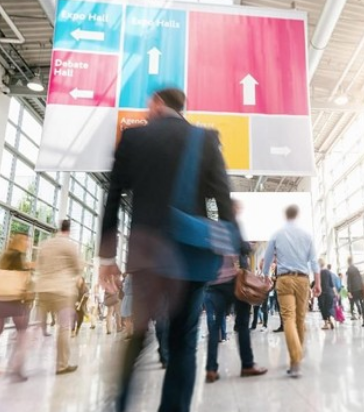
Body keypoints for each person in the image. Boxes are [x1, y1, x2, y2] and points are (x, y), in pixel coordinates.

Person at [99, 88, 236, 412]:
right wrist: (232, 250)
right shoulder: (204, 140)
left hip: (146, 254)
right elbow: (224, 200)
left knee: (136, 335)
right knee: (183, 342)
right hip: (189, 255)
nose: (147, 110)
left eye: (149, 104)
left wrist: (107, 257)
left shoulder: (133, 139)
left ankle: (119, 405)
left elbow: (114, 196)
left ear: (159, 103)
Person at [204, 199, 268, 383]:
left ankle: (211, 369)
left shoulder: (212, 227)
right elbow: (243, 248)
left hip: (214, 283)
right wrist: (250, 244)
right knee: (242, 325)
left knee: (215, 326)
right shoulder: (233, 225)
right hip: (234, 282)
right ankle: (247, 365)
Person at [262, 205, 321, 378]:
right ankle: (296, 360)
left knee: (288, 318)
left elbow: (267, 258)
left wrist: (265, 276)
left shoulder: (277, 234)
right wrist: (317, 283)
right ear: (297, 215)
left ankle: (295, 361)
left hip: (284, 279)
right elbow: (314, 262)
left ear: (285, 215)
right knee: (300, 319)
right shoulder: (307, 235)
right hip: (303, 279)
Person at [35, 219, 82, 375]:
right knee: (64, 327)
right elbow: (78, 268)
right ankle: (61, 365)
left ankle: (19, 365)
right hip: (62, 292)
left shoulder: (45, 244)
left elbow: (39, 266)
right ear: (69, 230)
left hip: (43, 289)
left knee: (37, 325)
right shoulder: (70, 245)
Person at [0, 232, 32, 381]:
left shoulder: (5, 255)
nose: (28, 243)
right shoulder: (18, 255)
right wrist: (29, 267)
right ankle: (16, 369)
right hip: (13, 298)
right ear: (20, 241)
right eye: (26, 240)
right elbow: (20, 275)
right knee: (22, 332)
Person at [346, 257, 364, 327]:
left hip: (353, 290)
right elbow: (360, 279)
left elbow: (349, 281)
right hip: (359, 289)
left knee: (352, 303)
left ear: (348, 262)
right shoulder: (356, 268)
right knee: (362, 304)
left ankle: (353, 315)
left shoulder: (349, 269)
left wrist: (349, 291)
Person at [319, 259, 337, 330]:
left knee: (322, 307)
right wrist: (335, 293)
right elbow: (331, 284)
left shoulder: (318, 272)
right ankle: (329, 318)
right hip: (329, 292)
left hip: (322, 292)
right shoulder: (328, 272)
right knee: (328, 307)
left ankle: (326, 323)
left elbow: (316, 283)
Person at [121, 274, 133, 338]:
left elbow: (125, 289)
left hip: (128, 298)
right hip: (135, 298)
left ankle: (129, 334)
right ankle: (132, 333)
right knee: (132, 318)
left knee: (127, 318)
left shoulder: (128, 277)